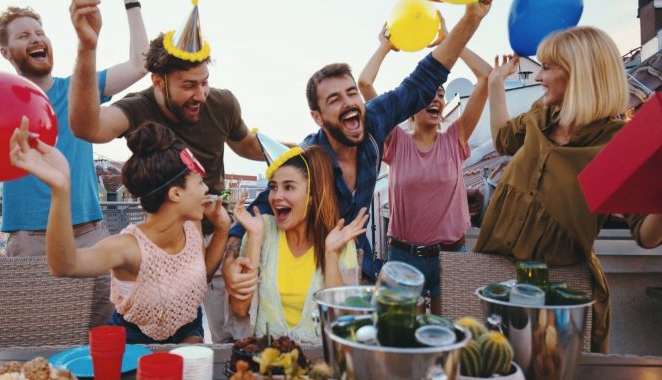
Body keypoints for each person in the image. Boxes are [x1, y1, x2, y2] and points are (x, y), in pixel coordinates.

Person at [226, 0, 494, 286]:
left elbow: (421, 81)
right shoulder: (307, 159)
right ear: (318, 117)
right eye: (335, 99)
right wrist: (231, 260)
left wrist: (472, 18)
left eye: (352, 93)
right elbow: (263, 206)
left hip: (356, 267)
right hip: (310, 272)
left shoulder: (374, 120)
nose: (349, 103)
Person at [0, 0, 149, 327]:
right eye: (22, 36)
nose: (35, 38)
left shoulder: (80, 88)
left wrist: (132, 4)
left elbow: (140, 63)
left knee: (102, 336)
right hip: (32, 243)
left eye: (39, 32)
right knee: (38, 337)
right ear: (5, 52)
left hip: (91, 235)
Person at [67, 2, 264, 341]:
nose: (200, 94)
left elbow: (245, 144)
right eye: (189, 85)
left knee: (227, 332)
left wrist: (294, 151)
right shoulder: (137, 107)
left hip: (213, 230)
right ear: (158, 80)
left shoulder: (222, 103)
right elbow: (88, 127)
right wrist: (87, 48)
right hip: (160, 241)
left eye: (205, 82)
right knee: (155, 329)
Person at [476, 26, 662, 352]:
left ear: (579, 73)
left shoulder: (616, 143)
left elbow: (645, 235)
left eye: (547, 67)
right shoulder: (541, 114)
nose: (538, 77)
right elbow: (503, 139)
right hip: (496, 277)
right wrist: (495, 85)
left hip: (559, 295)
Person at [9, 119, 230, 344]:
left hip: (189, 330)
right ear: (176, 194)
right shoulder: (128, 247)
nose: (206, 190)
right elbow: (64, 265)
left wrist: (222, 229)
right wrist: (60, 188)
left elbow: (203, 275)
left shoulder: (192, 226)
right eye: (200, 183)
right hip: (134, 342)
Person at [357, 21, 492, 314]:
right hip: (404, 257)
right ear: (411, 105)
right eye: (429, 92)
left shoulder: (456, 138)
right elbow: (364, 84)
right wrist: (385, 46)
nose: (436, 97)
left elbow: (485, 77)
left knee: (452, 339)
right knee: (400, 341)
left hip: (452, 255)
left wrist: (450, 40)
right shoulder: (395, 140)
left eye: (441, 93)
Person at [223, 146, 367, 342]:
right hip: (264, 362)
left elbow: (342, 321)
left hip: (318, 365)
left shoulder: (338, 241)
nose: (276, 196)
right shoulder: (260, 229)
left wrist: (331, 254)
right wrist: (255, 237)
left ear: (311, 197)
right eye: (273, 187)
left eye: (289, 187)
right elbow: (240, 310)